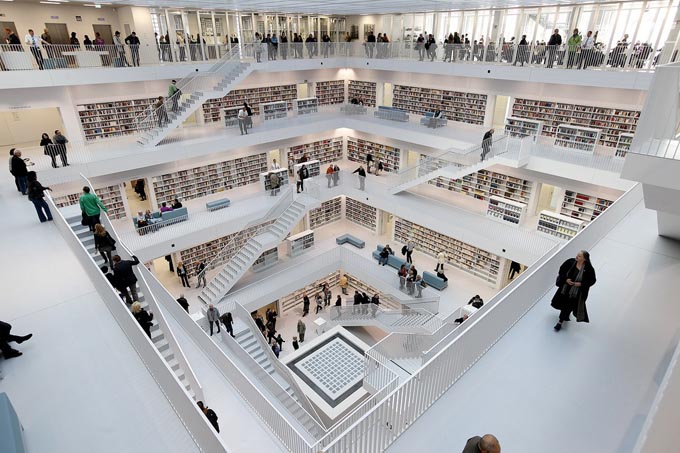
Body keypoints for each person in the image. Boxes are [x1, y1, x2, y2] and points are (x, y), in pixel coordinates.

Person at [551, 250, 597, 331]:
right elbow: (561, 270)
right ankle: (562, 319)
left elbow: (592, 280)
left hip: (577, 292)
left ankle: (562, 319)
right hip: (565, 289)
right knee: (564, 304)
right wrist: (566, 279)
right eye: (577, 255)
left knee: (569, 305)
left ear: (584, 259)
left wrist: (581, 284)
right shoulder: (570, 262)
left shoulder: (589, 268)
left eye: (579, 256)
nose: (577, 256)